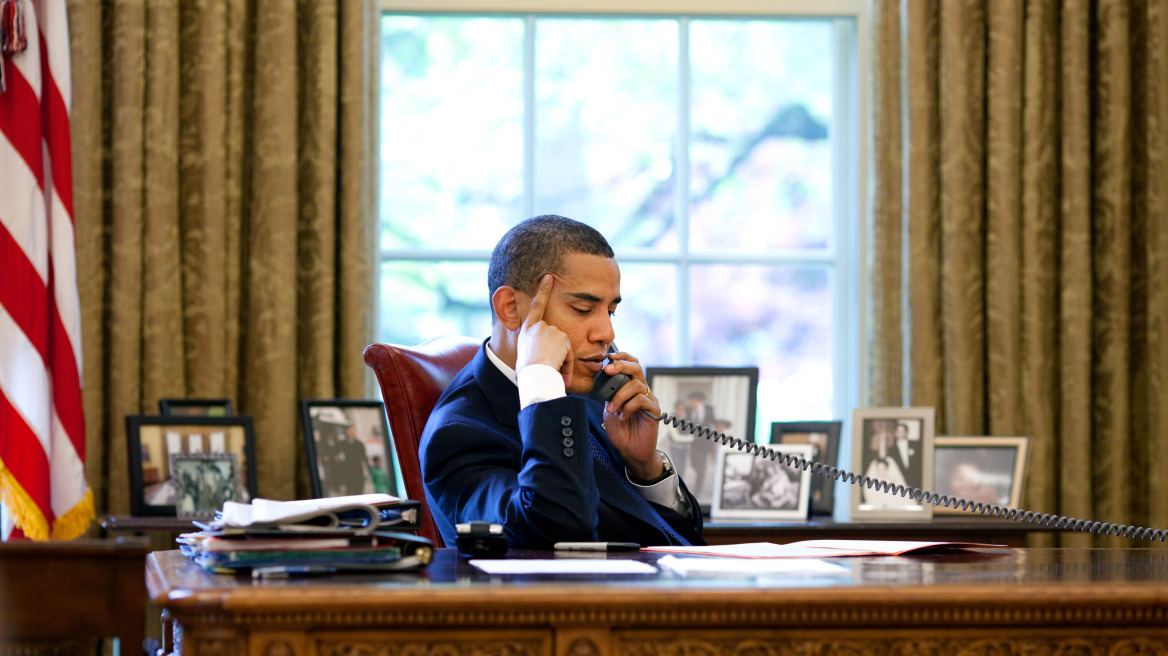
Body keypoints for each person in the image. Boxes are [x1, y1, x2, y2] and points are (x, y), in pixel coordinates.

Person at [420, 215, 705, 548]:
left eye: (610, 311)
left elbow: (681, 537)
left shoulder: (588, 396)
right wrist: (541, 386)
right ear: (510, 308)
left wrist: (645, 469)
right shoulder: (458, 434)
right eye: (583, 308)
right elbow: (554, 532)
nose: (607, 333)